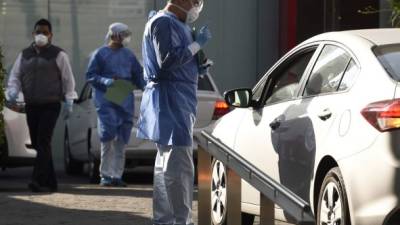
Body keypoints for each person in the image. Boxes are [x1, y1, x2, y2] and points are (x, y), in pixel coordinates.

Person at [136, 0, 211, 224]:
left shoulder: (176, 24)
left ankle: (166, 219)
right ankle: (181, 220)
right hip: (172, 99)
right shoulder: (162, 23)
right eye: (195, 1)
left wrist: (197, 65)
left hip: (176, 98)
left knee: (166, 166)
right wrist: (196, 45)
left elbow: (178, 59)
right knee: (179, 166)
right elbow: (167, 61)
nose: (197, 6)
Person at [7, 18, 78, 192]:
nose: (41, 35)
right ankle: (51, 181)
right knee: (39, 145)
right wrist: (13, 90)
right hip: (31, 104)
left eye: (45, 32)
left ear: (51, 35)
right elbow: (16, 75)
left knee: (43, 140)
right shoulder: (24, 54)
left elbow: (68, 78)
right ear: (33, 34)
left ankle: (36, 180)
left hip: (51, 104)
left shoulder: (59, 54)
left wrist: (70, 98)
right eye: (38, 32)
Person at [86, 22, 145, 187]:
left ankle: (117, 175)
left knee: (122, 139)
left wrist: (146, 87)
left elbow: (138, 75)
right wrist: (105, 80)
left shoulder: (129, 55)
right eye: (123, 34)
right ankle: (105, 175)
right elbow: (91, 75)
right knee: (108, 136)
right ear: (114, 35)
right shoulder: (100, 54)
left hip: (124, 95)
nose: (126, 38)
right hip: (106, 97)